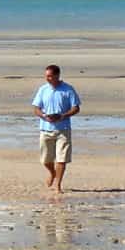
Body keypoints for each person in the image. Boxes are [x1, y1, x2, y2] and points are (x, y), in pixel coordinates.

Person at [31, 64, 81, 193]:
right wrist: (43, 116)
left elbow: (76, 108)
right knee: (45, 160)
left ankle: (58, 184)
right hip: (45, 128)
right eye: (46, 76)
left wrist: (63, 116)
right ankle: (52, 173)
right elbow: (36, 108)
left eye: (50, 76)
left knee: (61, 158)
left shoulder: (68, 89)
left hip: (63, 129)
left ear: (57, 76)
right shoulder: (43, 89)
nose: (47, 78)